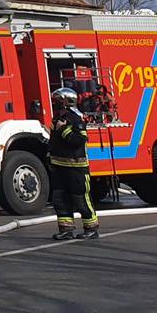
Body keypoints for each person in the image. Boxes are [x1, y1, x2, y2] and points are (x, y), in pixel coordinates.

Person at [47, 87, 99, 240]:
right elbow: (54, 141)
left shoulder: (77, 119)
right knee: (59, 199)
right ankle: (66, 230)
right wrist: (49, 155)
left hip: (76, 169)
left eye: (58, 101)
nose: (55, 104)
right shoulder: (57, 119)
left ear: (66, 102)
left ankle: (91, 228)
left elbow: (79, 140)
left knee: (81, 199)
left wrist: (63, 130)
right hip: (59, 168)